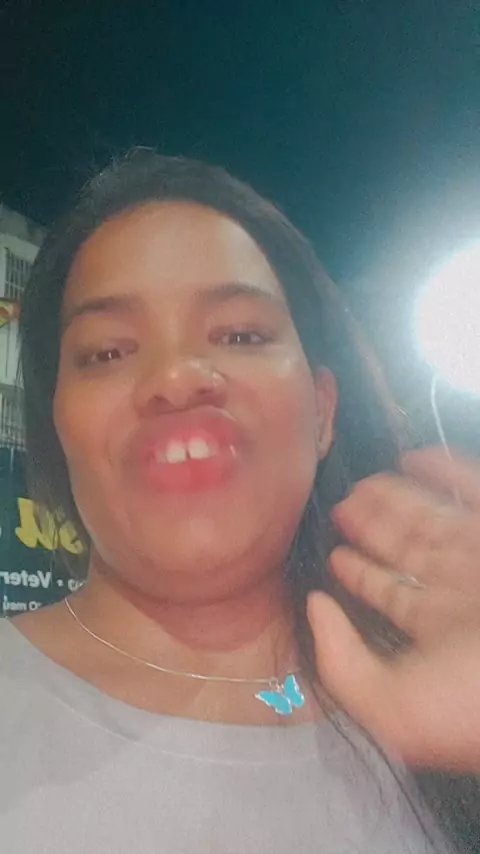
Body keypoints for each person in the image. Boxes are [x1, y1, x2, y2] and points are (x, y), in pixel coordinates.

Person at [1, 149, 479, 852]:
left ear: (323, 411)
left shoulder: (447, 695)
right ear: (57, 424)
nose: (176, 377)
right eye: (107, 352)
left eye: (240, 334)